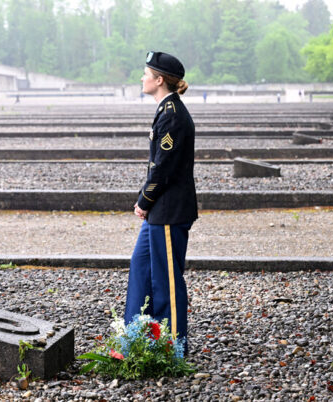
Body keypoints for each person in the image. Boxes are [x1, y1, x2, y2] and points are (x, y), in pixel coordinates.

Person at [124, 51, 198, 355]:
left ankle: (173, 347)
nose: (141, 78)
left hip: (168, 211)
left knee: (167, 280)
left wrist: (144, 200)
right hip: (159, 211)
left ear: (159, 80)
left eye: (145, 73)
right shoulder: (165, 110)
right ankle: (137, 338)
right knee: (140, 267)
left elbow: (163, 168)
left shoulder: (173, 115)